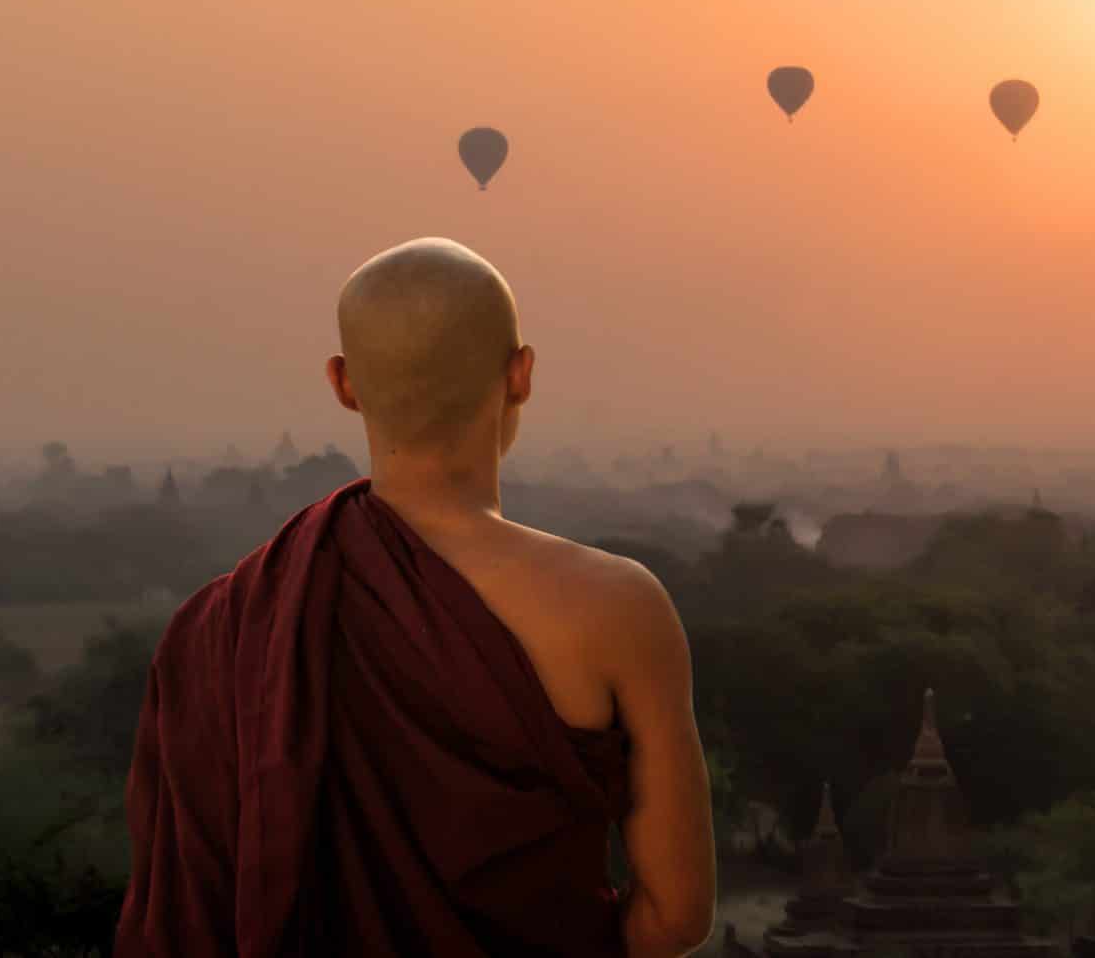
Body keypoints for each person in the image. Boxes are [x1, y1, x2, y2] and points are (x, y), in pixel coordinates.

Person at [117, 238, 716, 958]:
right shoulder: (619, 607)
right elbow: (678, 917)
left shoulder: (225, 623)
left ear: (342, 383)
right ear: (521, 374)